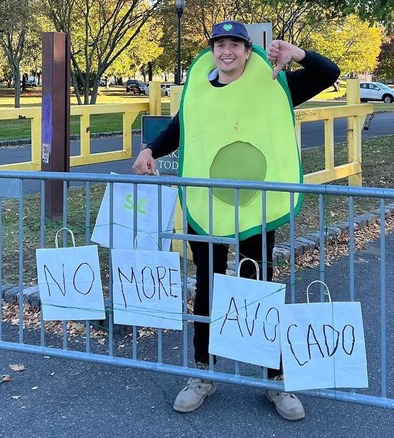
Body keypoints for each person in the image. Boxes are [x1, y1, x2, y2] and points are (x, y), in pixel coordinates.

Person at [132, 20, 340, 421]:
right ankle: (202, 374)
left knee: (257, 285)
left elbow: (328, 74)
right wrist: (150, 149)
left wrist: (297, 53)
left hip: (255, 207)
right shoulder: (198, 86)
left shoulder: (275, 82)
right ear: (212, 50)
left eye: (234, 44)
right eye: (219, 44)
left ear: (248, 50)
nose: (226, 51)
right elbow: (180, 127)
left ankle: (273, 379)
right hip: (206, 205)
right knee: (208, 284)